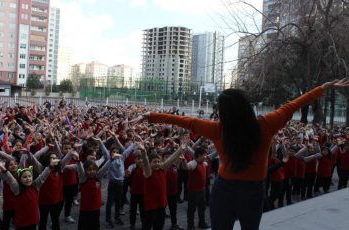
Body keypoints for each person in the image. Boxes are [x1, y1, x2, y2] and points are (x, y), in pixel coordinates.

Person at [130, 79, 349, 230]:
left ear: (223, 111)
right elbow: (294, 105)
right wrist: (323, 88)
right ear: (246, 106)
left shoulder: (216, 129)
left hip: (224, 189)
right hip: (253, 191)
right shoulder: (266, 124)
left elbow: (182, 121)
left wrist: (150, 115)